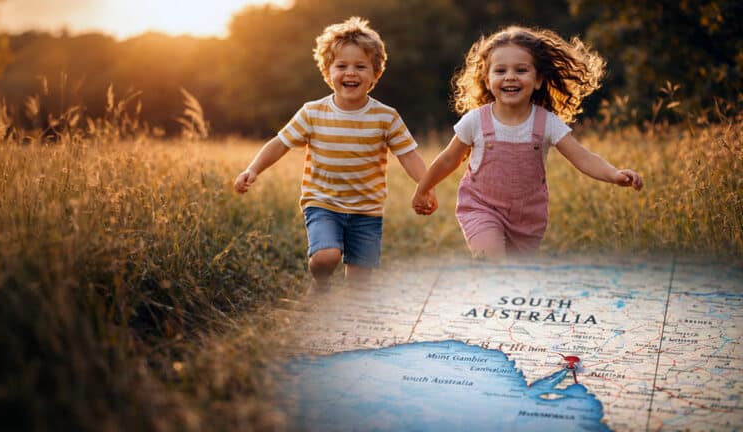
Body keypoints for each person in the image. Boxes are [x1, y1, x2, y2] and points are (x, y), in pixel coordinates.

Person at [235, 17, 431, 292]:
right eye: (341, 66)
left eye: (360, 66)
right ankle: (321, 281)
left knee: (360, 286)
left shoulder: (386, 117)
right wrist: (253, 169)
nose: (351, 73)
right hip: (323, 203)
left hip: (367, 210)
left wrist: (426, 187)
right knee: (327, 257)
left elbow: (408, 155)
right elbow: (280, 143)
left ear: (375, 74)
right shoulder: (312, 112)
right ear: (327, 73)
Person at [412, 25, 643, 258]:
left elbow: (583, 157)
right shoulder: (476, 121)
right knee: (491, 259)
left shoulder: (546, 123)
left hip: (528, 218)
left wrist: (614, 174)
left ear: (538, 79)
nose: (510, 76)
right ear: (487, 78)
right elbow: (449, 159)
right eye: (500, 71)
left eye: (521, 70)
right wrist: (424, 188)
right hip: (481, 208)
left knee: (515, 277)